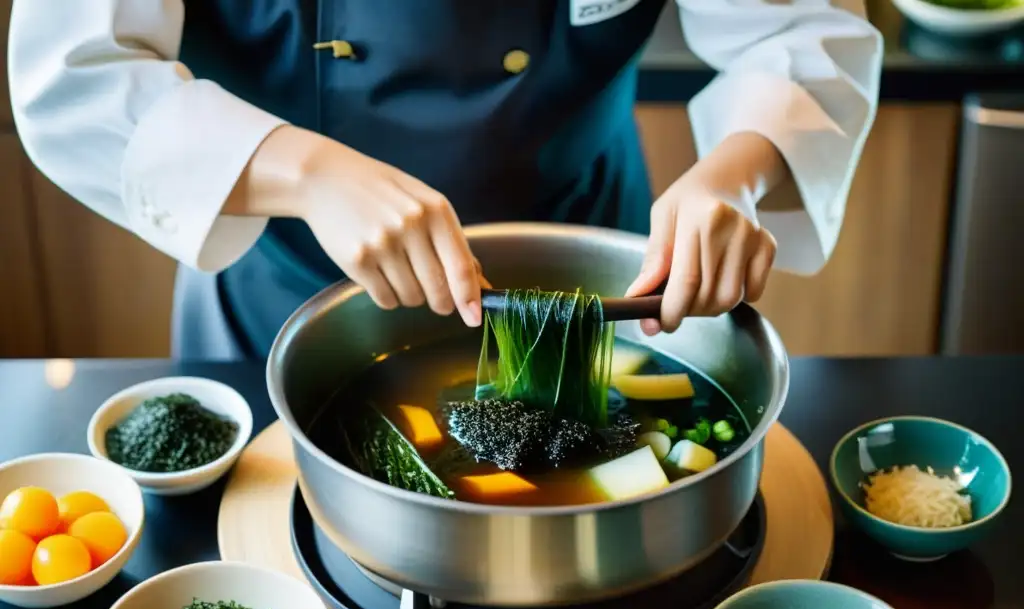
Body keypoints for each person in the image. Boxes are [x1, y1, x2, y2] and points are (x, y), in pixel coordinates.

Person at [9, 1, 882, 360]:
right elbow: (75, 70)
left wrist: (735, 171)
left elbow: (795, 29)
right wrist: (305, 169)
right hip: (281, 287)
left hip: (598, 275)